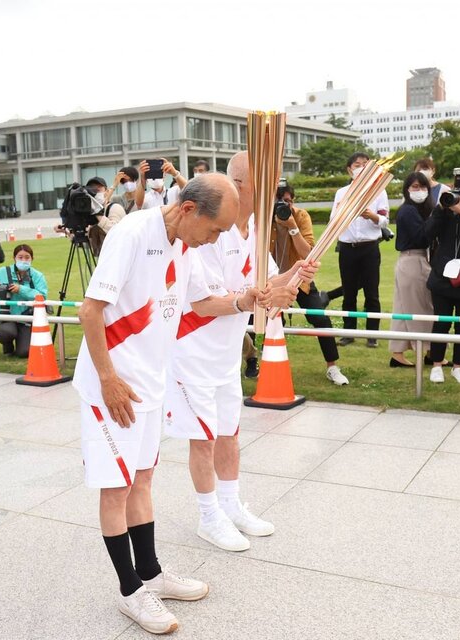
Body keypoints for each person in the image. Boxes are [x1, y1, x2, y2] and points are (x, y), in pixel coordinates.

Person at [73, 173, 296, 634]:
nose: (216, 239)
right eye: (215, 230)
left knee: (143, 480)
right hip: (113, 386)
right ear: (190, 209)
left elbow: (202, 303)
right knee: (116, 489)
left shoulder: (185, 246)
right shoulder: (133, 234)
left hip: (150, 381)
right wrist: (109, 379)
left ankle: (151, 572)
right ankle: (130, 591)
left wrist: (249, 298)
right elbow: (90, 310)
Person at [165, 154, 318, 554]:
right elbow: (202, 303)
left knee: (229, 431)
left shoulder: (253, 229)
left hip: (226, 352)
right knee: (202, 438)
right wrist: (248, 302)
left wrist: (298, 272)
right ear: (241, 185)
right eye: (262, 182)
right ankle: (208, 516)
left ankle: (231, 504)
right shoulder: (209, 231)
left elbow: (264, 285)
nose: (272, 189)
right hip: (193, 349)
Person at [270, 183, 348, 385]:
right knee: (269, 321)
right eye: (278, 201)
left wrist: (292, 227)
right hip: (272, 280)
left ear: (293, 201)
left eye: (287, 201)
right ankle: (263, 363)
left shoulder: (301, 216)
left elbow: (308, 254)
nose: (283, 206)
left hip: (299, 278)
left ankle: (332, 367)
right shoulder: (263, 219)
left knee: (319, 318)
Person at [331, 152, 390, 348]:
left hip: (369, 247)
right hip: (348, 248)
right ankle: (349, 332)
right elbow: (333, 222)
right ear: (350, 169)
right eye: (358, 164)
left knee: (371, 292)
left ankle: (372, 334)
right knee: (349, 291)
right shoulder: (342, 192)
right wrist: (342, 212)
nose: (362, 168)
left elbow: (384, 220)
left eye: (366, 164)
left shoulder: (379, 192)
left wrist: (372, 216)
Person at [388, 173, 436, 367]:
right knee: (422, 307)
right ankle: (429, 352)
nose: (419, 191)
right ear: (407, 189)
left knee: (403, 308)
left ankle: (397, 354)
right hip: (414, 260)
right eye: (415, 187)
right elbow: (422, 237)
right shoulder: (408, 211)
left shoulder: (415, 210)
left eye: (422, 187)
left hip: (411, 261)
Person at [425, 193, 460, 383]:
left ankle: (458, 366)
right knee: (441, 323)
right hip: (442, 278)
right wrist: (440, 210)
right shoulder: (443, 213)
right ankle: (437, 364)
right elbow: (427, 235)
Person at [0, 244, 47, 357]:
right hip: (8, 315)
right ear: (14, 258)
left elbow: (42, 296)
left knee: (24, 353)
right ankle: (7, 345)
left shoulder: (37, 276)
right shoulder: (4, 272)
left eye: (27, 257)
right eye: (20, 257)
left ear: (32, 259)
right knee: (6, 333)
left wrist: (21, 289)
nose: (24, 260)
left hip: (27, 318)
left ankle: (22, 341)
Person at [85, 177, 127, 257]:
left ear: (107, 192)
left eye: (98, 190)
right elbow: (86, 242)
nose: (95, 193)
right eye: (92, 190)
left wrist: (97, 212)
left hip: (118, 257)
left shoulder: (115, 208)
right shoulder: (90, 212)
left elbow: (115, 232)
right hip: (102, 259)